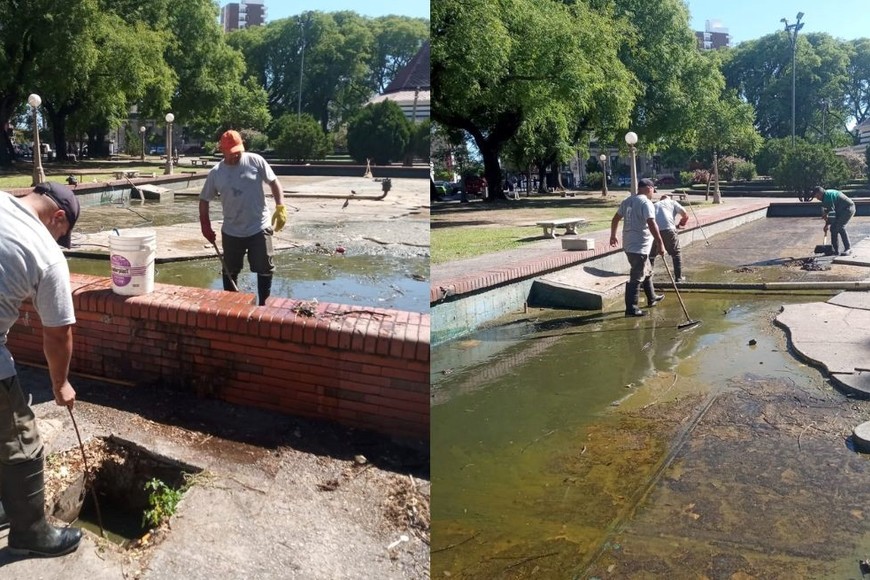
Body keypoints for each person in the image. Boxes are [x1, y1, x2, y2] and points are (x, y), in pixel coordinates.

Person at [0, 182, 83, 557]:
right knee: (22, 441)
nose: (59, 240)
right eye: (62, 233)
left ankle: (7, 503)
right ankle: (31, 533)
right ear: (58, 217)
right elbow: (59, 332)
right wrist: (60, 383)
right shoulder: (47, 254)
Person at [199, 130, 287, 306]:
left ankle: (264, 306)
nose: (235, 156)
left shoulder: (255, 160)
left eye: (238, 151)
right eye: (231, 153)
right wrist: (205, 226)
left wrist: (280, 207)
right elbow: (204, 200)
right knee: (230, 270)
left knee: (264, 268)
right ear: (222, 151)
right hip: (232, 231)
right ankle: (231, 306)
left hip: (259, 227)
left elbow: (274, 182)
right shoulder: (216, 173)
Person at [610, 178, 666, 317]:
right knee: (636, 276)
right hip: (639, 246)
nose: (653, 192)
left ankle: (652, 297)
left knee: (647, 271)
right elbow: (652, 224)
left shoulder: (628, 201)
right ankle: (631, 309)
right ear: (648, 188)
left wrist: (613, 235)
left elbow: (615, 218)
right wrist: (660, 243)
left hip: (630, 244)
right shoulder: (646, 203)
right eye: (653, 189)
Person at [649, 193, 690, 282]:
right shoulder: (672, 202)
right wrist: (681, 224)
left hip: (656, 230)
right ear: (668, 198)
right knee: (676, 253)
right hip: (669, 229)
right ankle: (678, 278)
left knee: (652, 255)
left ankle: (648, 278)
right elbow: (685, 215)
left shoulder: (654, 205)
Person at [811, 186, 855, 256]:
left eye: (817, 196)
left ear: (820, 193)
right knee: (833, 228)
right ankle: (835, 250)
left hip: (847, 209)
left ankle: (848, 248)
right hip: (841, 210)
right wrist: (826, 223)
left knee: (840, 227)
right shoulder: (826, 195)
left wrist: (827, 225)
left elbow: (832, 214)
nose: (817, 198)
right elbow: (829, 211)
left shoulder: (827, 198)